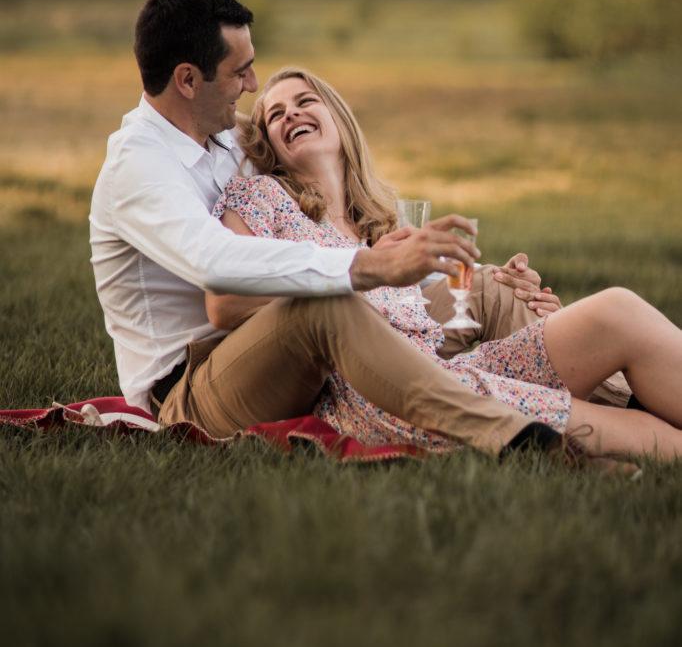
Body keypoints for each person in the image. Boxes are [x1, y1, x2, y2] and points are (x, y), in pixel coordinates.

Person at [90, 0, 584, 463]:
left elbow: (315, 186)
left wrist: (449, 271)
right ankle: (516, 436)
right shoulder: (138, 169)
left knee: (479, 284)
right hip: (195, 390)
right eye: (239, 72)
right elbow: (214, 263)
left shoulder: (225, 131)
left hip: (282, 340)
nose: (252, 86)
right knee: (326, 302)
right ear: (188, 80)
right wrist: (368, 264)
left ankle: (618, 390)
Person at [204, 66, 682, 461]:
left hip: (451, 373)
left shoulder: (380, 229)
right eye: (275, 115)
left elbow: (452, 302)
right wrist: (348, 273)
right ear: (269, 144)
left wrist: (508, 283)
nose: (292, 115)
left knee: (616, 309)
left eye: (305, 102)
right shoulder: (260, 196)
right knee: (636, 434)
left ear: (339, 119)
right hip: (388, 399)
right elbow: (226, 299)